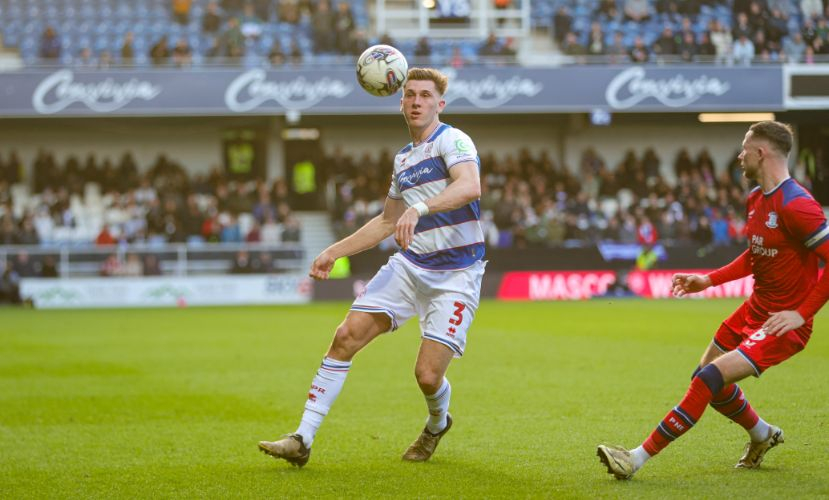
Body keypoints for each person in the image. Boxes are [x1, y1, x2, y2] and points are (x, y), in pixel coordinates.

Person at [259, 68, 485, 467]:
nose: (417, 101)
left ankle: (437, 424)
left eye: (425, 95)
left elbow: (469, 186)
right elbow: (386, 221)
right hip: (410, 266)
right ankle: (302, 438)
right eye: (410, 95)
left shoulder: (452, 140)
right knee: (345, 337)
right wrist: (334, 251)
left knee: (427, 376)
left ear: (440, 104)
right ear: (400, 103)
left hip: (457, 274)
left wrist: (419, 208)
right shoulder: (403, 159)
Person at [598, 121, 829, 479]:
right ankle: (762, 434)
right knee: (703, 377)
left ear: (761, 153)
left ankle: (635, 458)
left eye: (744, 148)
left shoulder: (798, 205)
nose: (739, 156)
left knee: (709, 378)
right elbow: (755, 254)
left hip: (782, 322)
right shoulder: (756, 198)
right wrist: (708, 279)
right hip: (755, 308)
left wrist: (801, 314)